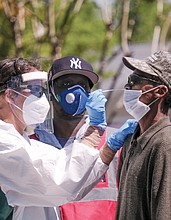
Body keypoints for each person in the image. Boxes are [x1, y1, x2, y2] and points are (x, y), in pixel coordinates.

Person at [0, 57, 127, 220]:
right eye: (35, 90)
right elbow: (60, 181)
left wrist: (108, 149)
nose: (41, 98)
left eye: (42, 90)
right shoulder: (5, 144)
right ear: (10, 95)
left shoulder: (28, 144)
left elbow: (74, 185)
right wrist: (94, 131)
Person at [31, 56, 137, 220]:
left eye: (83, 85)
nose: (75, 91)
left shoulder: (114, 143)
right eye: (66, 84)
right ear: (49, 91)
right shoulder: (31, 145)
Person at [105, 50, 171, 219]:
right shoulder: (132, 139)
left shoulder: (168, 145)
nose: (127, 87)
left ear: (160, 91)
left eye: (134, 81)